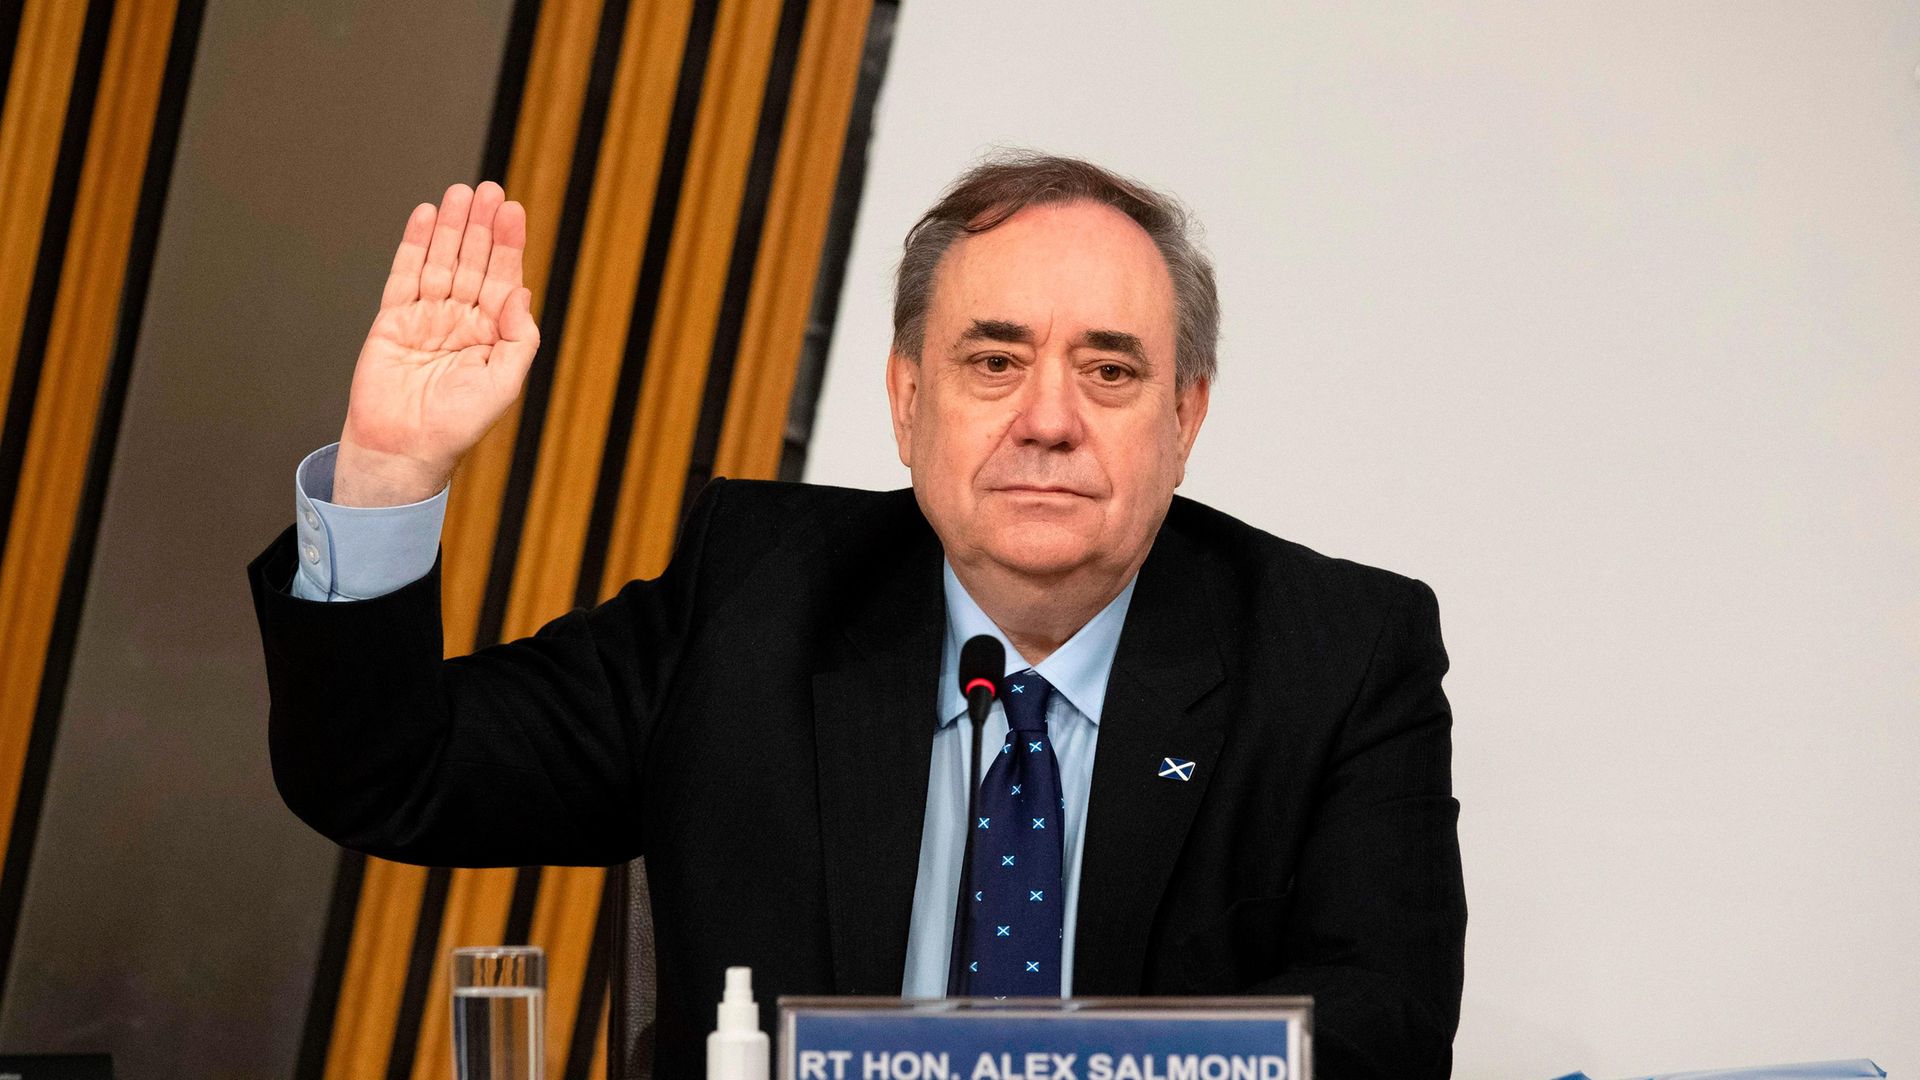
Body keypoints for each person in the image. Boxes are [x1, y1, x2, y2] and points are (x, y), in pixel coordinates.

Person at [249, 153, 1466, 1079]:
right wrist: (389, 475)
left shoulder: (1339, 654)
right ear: (904, 398)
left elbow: (1386, 1034)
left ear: (1186, 417)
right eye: (993, 361)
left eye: (1110, 370)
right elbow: (388, 774)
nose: (1049, 419)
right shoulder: (755, 604)